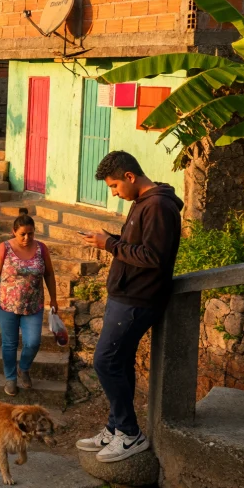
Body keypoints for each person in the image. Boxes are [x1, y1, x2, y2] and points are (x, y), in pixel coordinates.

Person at [75, 150, 182, 463]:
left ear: (130, 177)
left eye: (114, 186)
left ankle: (129, 434)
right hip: (125, 294)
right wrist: (110, 238)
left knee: (105, 362)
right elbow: (136, 246)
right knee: (119, 363)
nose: (114, 193)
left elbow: (153, 257)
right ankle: (115, 428)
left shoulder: (159, 206)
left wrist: (108, 244)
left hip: (138, 299)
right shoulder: (142, 203)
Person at [0, 213, 59, 397]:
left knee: (33, 342)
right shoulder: (4, 248)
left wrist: (53, 299)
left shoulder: (41, 249)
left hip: (33, 305)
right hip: (6, 304)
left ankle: (23, 368)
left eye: (30, 234)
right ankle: (10, 379)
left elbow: (49, 274)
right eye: (22, 234)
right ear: (14, 231)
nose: (26, 238)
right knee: (10, 343)